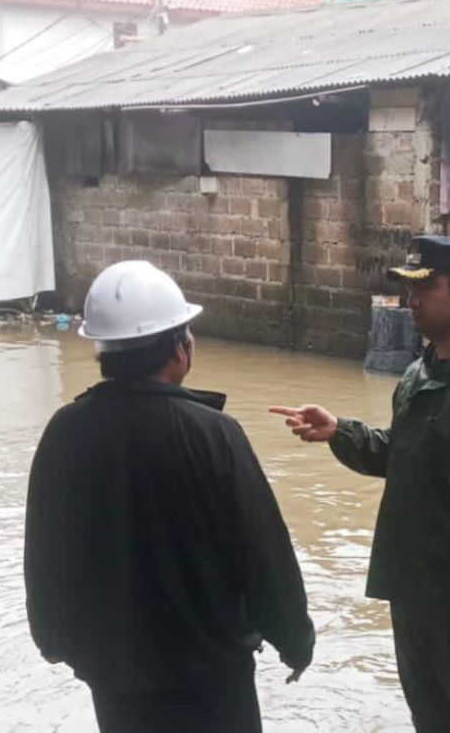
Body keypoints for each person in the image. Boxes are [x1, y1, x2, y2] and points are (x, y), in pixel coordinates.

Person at [24, 261, 314, 733]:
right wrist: (295, 639)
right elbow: (263, 550)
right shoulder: (214, 434)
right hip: (213, 674)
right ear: (180, 348)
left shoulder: (65, 432)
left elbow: (45, 551)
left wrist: (54, 639)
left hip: (118, 680)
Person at [271, 235, 450, 732]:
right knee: (431, 708)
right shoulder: (419, 375)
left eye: (424, 288)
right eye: (408, 289)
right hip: (416, 585)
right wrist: (341, 432)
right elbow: (402, 456)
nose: (410, 301)